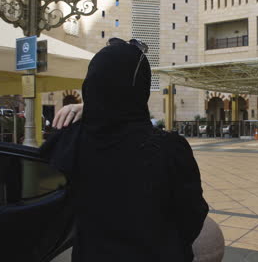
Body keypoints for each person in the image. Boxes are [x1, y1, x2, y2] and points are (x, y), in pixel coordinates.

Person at [43, 38, 208, 262]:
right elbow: (192, 216)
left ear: (91, 82)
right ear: (142, 87)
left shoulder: (67, 141)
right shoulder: (170, 150)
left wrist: (89, 107)